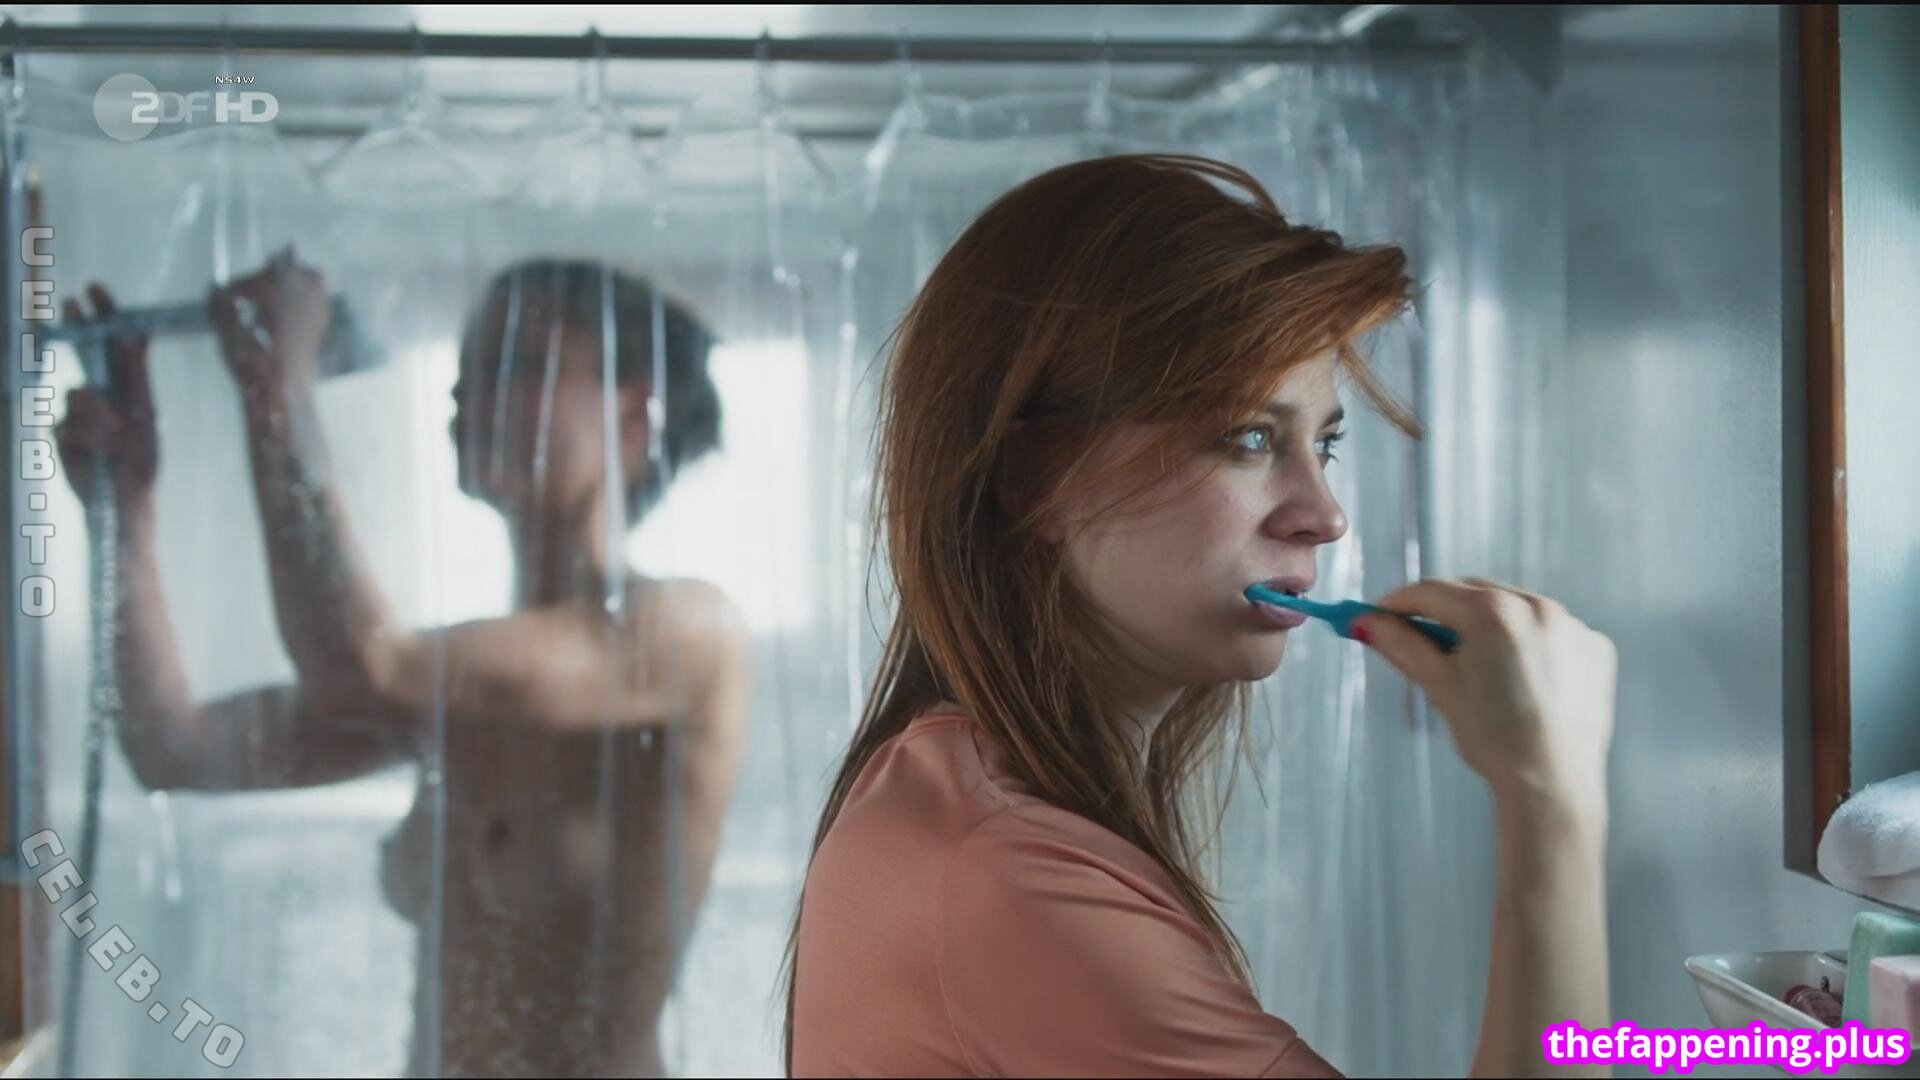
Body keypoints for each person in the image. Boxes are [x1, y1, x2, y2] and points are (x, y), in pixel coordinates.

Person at [782, 154, 1616, 1078]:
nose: (1324, 516)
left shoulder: (960, 802)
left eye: (1325, 445)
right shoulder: (1006, 871)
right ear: (1036, 481)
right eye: (1249, 437)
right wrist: (1553, 795)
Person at [56, 255, 753, 1077]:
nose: (467, 388)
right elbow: (174, 747)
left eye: (518, 362)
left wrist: (278, 388)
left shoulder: (688, 636)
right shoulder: (457, 687)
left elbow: (363, 666)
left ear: (636, 415)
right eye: (469, 362)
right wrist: (125, 509)